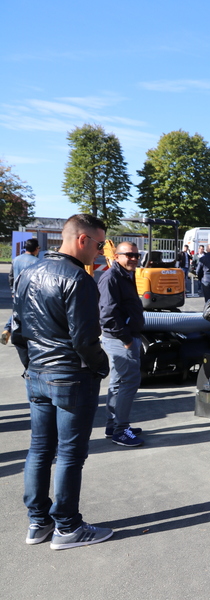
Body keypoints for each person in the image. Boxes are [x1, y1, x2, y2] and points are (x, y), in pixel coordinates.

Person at [12, 214, 113, 550]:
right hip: (71, 378)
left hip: (39, 375)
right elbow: (85, 339)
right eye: (99, 245)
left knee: (40, 450)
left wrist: (32, 366)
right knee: (70, 454)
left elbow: (17, 332)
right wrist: (102, 367)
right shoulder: (78, 280)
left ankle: (38, 522)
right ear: (82, 240)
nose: (100, 252)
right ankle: (67, 527)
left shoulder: (27, 273)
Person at [98, 242, 146, 448]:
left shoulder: (126, 274)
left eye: (136, 255)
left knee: (118, 382)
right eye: (129, 255)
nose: (134, 258)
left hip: (125, 336)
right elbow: (107, 315)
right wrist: (126, 339)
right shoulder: (111, 277)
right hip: (120, 338)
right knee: (129, 382)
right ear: (117, 256)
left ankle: (113, 425)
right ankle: (121, 430)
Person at [2, 238, 41, 345]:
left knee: (16, 312)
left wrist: (13, 290)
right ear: (36, 249)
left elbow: (11, 276)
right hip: (30, 293)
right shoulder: (37, 262)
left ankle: (7, 330)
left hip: (17, 292)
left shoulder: (16, 259)